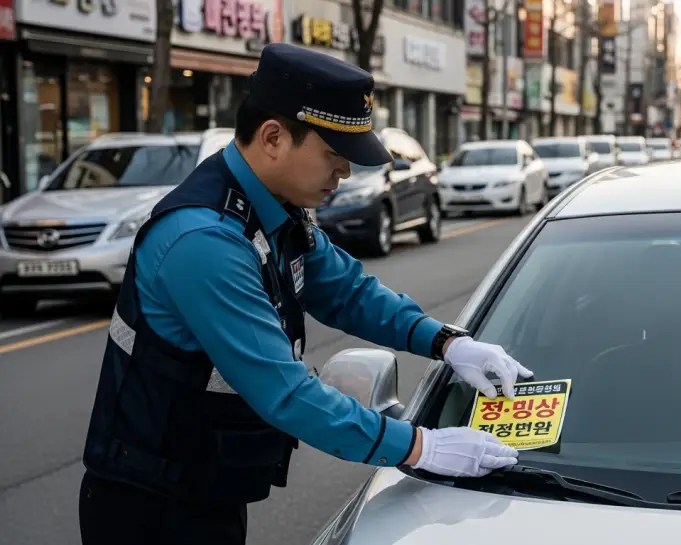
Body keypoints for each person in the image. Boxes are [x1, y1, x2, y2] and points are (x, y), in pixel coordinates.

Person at [78, 43, 533, 545]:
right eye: (335, 156)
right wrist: (419, 447)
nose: (346, 174)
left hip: (205, 485)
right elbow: (284, 390)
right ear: (273, 137)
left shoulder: (275, 208)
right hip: (150, 505)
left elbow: (348, 292)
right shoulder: (205, 242)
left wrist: (448, 343)